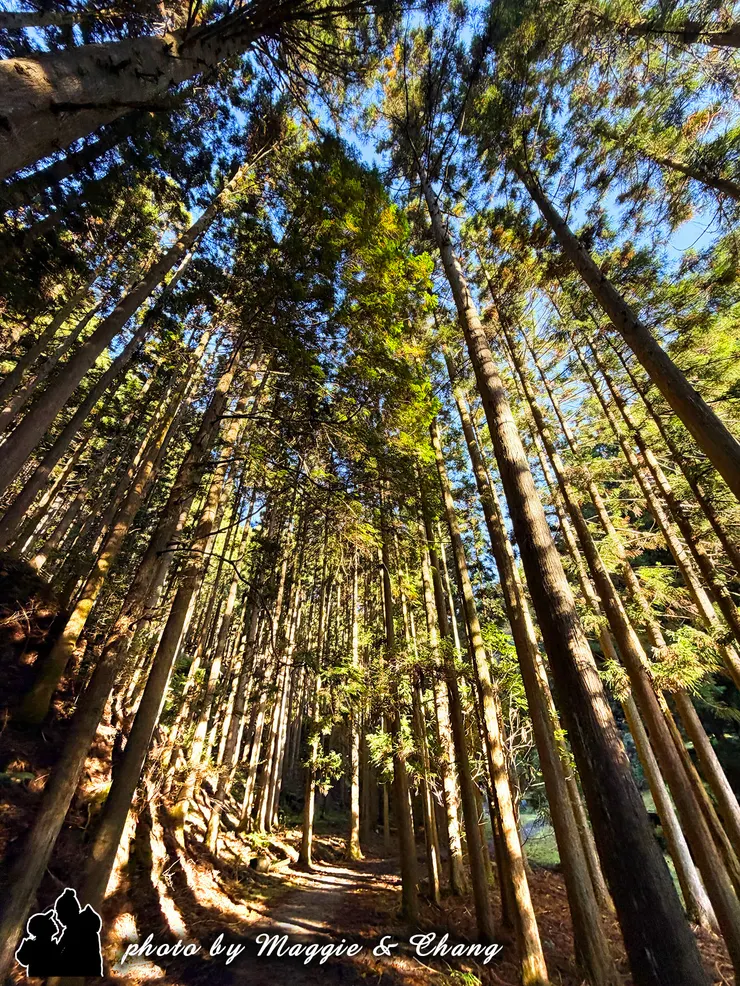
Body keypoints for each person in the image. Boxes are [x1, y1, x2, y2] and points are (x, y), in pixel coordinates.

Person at [53, 888, 104, 976]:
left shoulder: (75, 931)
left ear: (67, 913)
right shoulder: (77, 928)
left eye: (59, 913)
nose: (57, 918)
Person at [15, 910, 62, 978]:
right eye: (49, 921)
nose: (53, 922)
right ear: (43, 928)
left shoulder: (51, 944)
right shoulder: (37, 946)